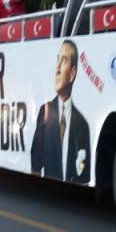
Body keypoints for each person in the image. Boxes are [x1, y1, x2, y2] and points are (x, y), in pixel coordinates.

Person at [29, 40, 91, 184]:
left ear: (72, 73)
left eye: (63, 61)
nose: (57, 68)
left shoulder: (82, 124)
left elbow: (84, 176)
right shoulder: (45, 111)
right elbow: (35, 162)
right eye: (57, 60)